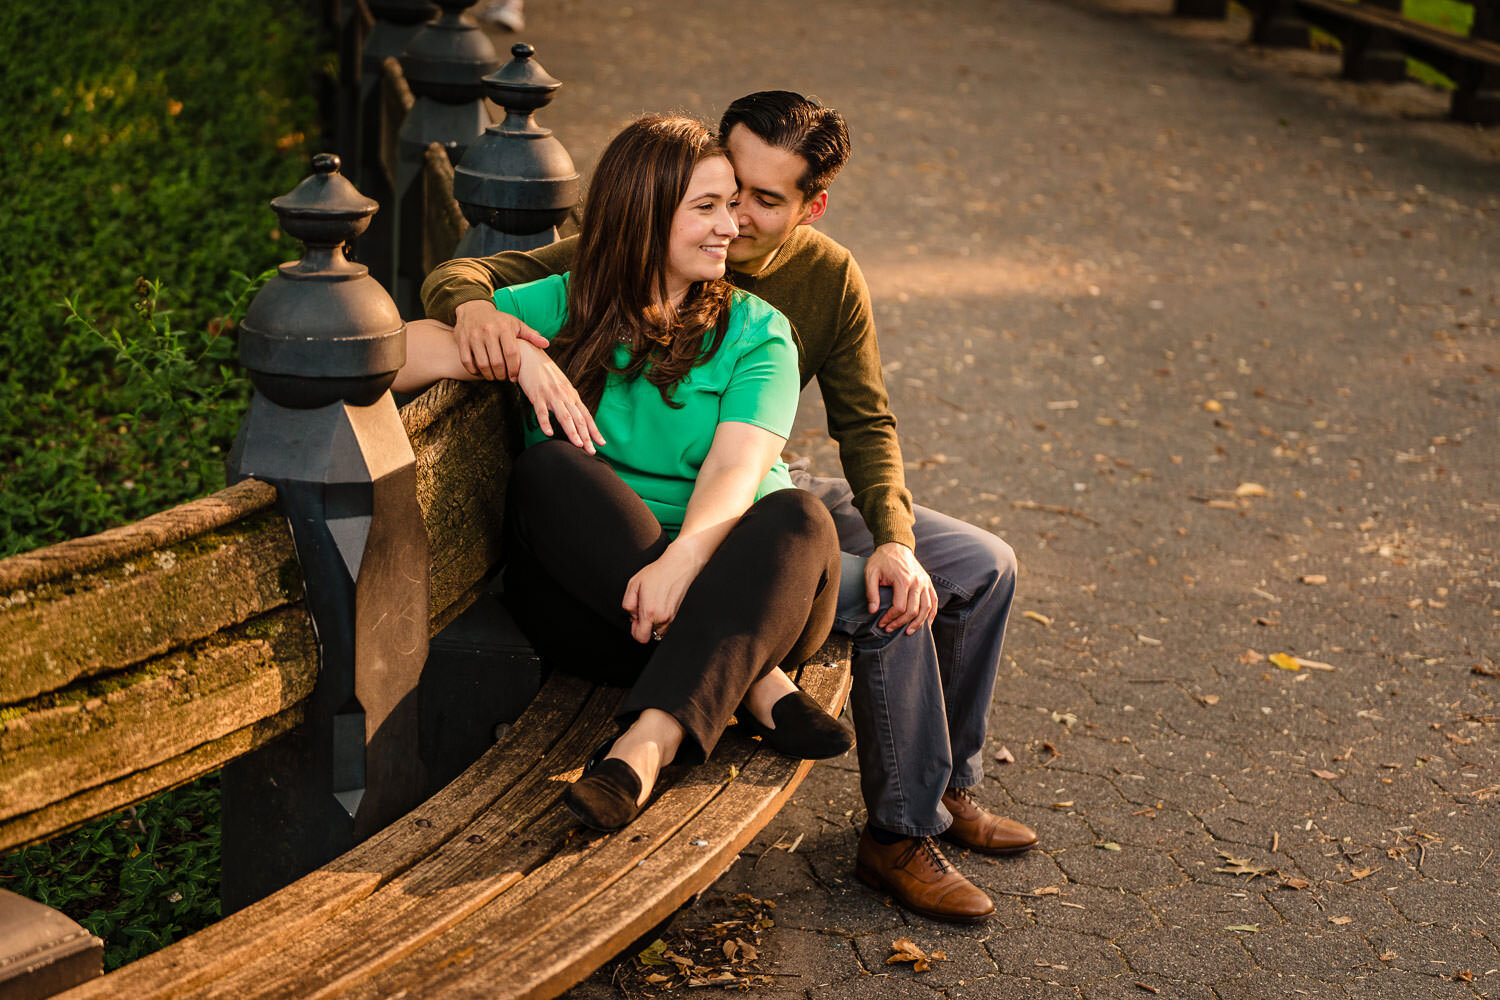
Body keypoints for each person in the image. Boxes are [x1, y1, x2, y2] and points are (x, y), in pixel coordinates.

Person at [420, 92, 1029, 924]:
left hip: (759, 493)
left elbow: (853, 428)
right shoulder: (603, 270)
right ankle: (796, 723)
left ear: (809, 207)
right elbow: (465, 287)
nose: (734, 218)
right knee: (565, 473)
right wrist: (499, 340)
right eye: (721, 191)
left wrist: (892, 537)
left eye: (759, 201)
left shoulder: (801, 296)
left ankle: (931, 804)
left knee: (967, 566)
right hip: (646, 532)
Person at [394, 114, 851, 832]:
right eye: (707, 207)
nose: (731, 226)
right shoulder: (558, 306)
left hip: (762, 599)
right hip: (602, 611)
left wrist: (683, 560)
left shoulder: (760, 333)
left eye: (731, 204)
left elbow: (737, 473)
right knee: (551, 471)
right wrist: (518, 354)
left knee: (800, 517)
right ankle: (755, 683)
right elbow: (390, 354)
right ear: (642, 214)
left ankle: (643, 746)